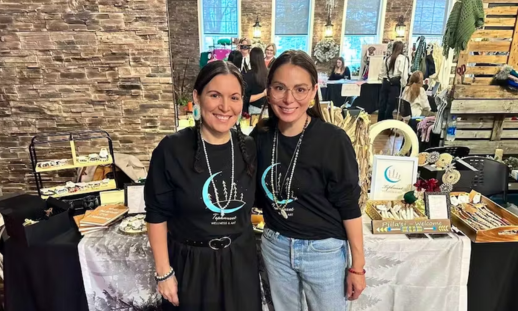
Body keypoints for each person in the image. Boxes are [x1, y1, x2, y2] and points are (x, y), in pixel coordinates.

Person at [251, 50, 366, 311]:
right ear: (268, 90)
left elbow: (349, 205)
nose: (289, 99)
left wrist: (357, 267)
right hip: (275, 246)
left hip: (323, 252)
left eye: (300, 89)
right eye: (280, 88)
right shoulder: (260, 136)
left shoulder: (333, 140)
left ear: (313, 91)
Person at [144, 60, 261, 311]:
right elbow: (156, 214)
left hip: (240, 262)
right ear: (197, 97)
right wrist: (164, 273)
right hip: (190, 265)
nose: (225, 107)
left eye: (234, 97)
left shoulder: (249, 147)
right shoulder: (172, 149)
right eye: (215, 95)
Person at [378, 41, 409, 122]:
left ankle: (380, 123)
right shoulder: (403, 59)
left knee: (382, 104)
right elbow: (404, 74)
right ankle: (387, 125)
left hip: (385, 83)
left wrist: (384, 82)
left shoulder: (387, 58)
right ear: (401, 48)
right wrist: (403, 84)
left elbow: (381, 73)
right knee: (390, 106)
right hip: (394, 85)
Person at [244, 47, 268, 115]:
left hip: (254, 109)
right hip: (266, 108)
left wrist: (263, 94)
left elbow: (247, 98)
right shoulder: (268, 73)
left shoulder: (249, 74)